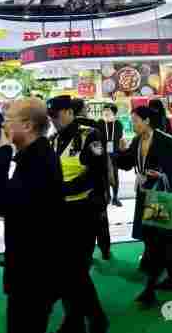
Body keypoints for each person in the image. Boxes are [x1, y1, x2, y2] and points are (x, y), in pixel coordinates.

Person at [0, 97, 65, 333]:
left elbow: (1, 204)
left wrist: (3, 152)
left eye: (9, 120)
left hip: (34, 272)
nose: (4, 125)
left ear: (28, 125)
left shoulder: (38, 160)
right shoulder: (33, 155)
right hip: (30, 267)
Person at [47, 95, 109, 333]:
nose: (54, 120)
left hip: (85, 211)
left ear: (69, 112)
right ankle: (78, 319)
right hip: (60, 213)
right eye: (51, 117)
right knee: (67, 270)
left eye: (57, 115)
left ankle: (90, 318)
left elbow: (96, 173)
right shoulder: (53, 140)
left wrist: (64, 189)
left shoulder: (89, 135)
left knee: (76, 269)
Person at [115, 106, 172, 306]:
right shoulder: (137, 141)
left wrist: (161, 174)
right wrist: (118, 152)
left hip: (161, 196)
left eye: (135, 120)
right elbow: (127, 163)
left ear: (146, 121)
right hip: (145, 194)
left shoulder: (163, 140)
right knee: (156, 239)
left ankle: (150, 289)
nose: (133, 124)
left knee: (158, 241)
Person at [73, 98, 112, 261]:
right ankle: (105, 249)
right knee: (101, 218)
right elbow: (101, 158)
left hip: (77, 184)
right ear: (82, 110)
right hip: (96, 182)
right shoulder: (94, 128)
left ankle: (85, 253)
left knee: (81, 223)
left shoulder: (67, 129)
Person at [102, 105, 124, 207]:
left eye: (108, 111)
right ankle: (108, 196)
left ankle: (115, 197)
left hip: (114, 153)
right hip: (103, 154)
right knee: (105, 176)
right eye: (105, 111)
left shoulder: (118, 124)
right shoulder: (101, 123)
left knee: (115, 175)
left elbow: (118, 137)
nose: (106, 113)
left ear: (114, 113)